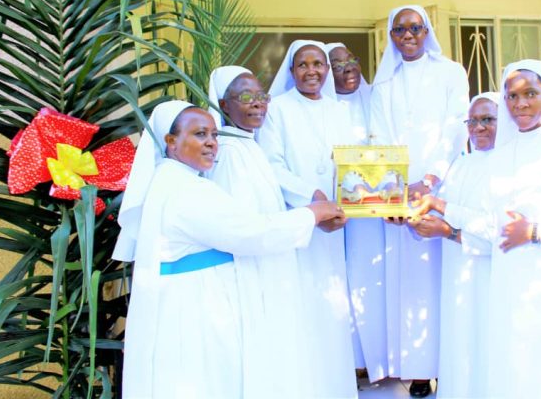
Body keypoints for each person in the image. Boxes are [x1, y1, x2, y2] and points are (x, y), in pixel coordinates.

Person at [112, 100, 343, 399]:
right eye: (199, 134)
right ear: (171, 142)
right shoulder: (186, 191)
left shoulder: (174, 181)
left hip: (193, 301)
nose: (210, 143)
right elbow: (252, 232)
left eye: (213, 135)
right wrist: (312, 213)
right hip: (196, 310)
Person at [412, 59, 541, 399]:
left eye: (530, 93)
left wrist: (535, 231)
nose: (520, 104)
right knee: (511, 368)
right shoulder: (504, 156)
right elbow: (492, 224)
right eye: (512, 96)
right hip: (505, 282)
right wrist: (439, 206)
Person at [369, 5, 469, 397]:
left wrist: (430, 180)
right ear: (391, 36)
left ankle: (448, 363)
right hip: (400, 194)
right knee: (407, 283)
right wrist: (394, 191)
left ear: (427, 31)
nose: (407, 35)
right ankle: (418, 369)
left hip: (441, 190)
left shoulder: (450, 72)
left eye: (415, 27)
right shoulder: (384, 82)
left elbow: (456, 126)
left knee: (442, 278)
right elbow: (378, 137)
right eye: (399, 30)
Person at [257, 40, 357, 399]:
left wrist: (350, 202)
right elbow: (271, 165)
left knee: (331, 308)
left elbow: (354, 165)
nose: (311, 71)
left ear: (327, 70)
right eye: (303, 64)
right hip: (297, 221)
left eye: (318, 64)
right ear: (291, 70)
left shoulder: (340, 110)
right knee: (300, 306)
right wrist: (311, 199)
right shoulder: (277, 110)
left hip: (335, 226)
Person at [206, 66, 313, 397]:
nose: (258, 104)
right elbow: (245, 230)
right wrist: (311, 216)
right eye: (246, 97)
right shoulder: (226, 154)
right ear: (224, 105)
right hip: (249, 277)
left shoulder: (249, 145)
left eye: (262, 96)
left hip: (271, 270)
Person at [407, 92, 500, 399]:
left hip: (492, 282)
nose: (478, 127)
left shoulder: (510, 168)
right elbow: (434, 212)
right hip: (458, 280)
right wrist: (412, 219)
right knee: (461, 350)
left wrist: (448, 230)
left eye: (487, 119)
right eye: (472, 120)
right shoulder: (460, 166)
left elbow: (497, 232)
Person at [326, 42, 389, 383]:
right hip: (331, 211)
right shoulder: (322, 108)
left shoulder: (375, 99)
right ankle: (348, 362)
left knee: (369, 282)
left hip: (370, 211)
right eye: (337, 64)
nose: (348, 67)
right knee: (339, 284)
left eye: (352, 60)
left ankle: (376, 361)